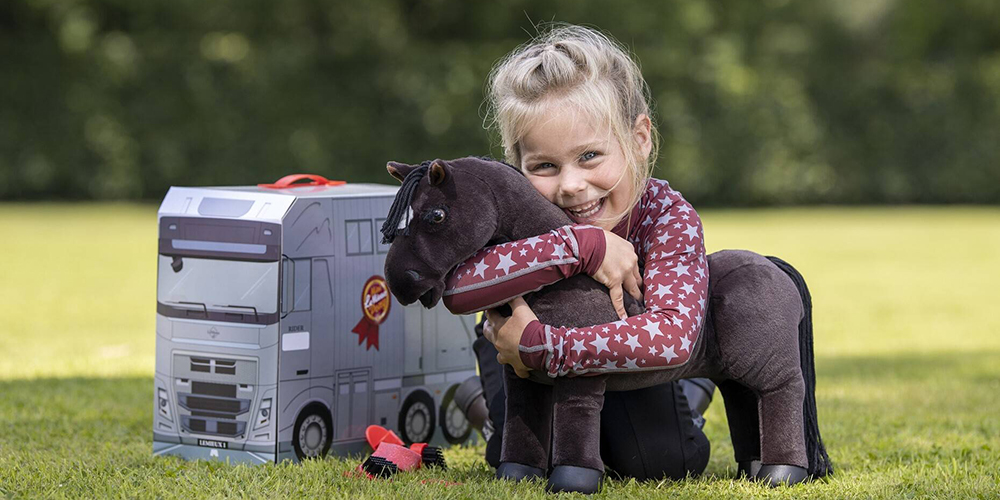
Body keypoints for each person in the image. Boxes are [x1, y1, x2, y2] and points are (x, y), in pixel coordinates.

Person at [443, 24, 716, 482]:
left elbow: (672, 338)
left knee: (665, 461)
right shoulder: (514, 216)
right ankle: (482, 400)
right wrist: (582, 246)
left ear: (640, 138)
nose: (570, 185)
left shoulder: (667, 216)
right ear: (517, 167)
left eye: (590, 155)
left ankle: (693, 391)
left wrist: (547, 347)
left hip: (626, 365)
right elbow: (454, 285)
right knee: (523, 453)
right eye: (544, 166)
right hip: (519, 361)